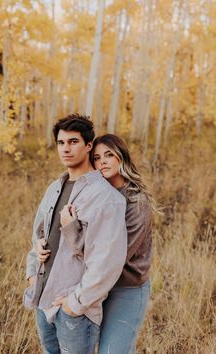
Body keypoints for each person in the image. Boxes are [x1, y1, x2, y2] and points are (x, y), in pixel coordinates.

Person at [37, 133, 154, 354]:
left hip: (125, 287)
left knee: (114, 350)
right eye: (97, 157)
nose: (102, 162)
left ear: (121, 158)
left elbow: (111, 257)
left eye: (109, 155)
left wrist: (71, 229)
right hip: (93, 287)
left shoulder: (135, 202)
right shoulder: (93, 194)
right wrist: (40, 248)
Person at [24, 115, 127, 354]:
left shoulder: (106, 197)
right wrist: (32, 275)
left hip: (75, 312)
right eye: (61, 143)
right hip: (43, 299)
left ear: (88, 145)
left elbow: (107, 261)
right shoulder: (54, 187)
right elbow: (37, 234)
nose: (66, 149)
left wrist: (74, 304)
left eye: (73, 142)